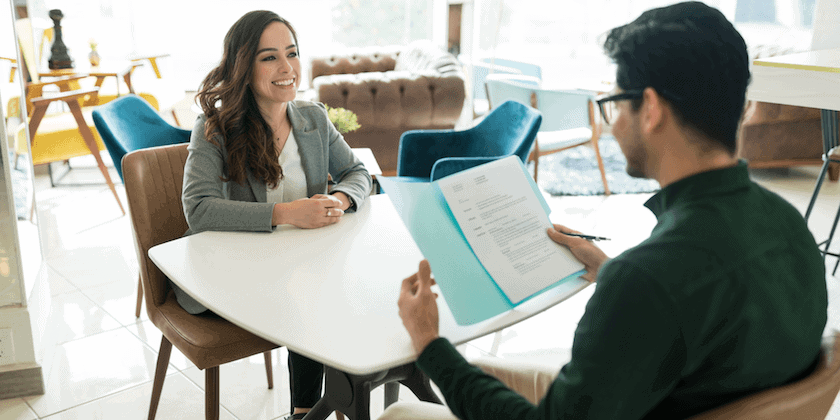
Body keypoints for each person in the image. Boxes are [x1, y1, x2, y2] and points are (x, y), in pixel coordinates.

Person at [389, 2, 828, 419]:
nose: (612, 122)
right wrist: (610, 270)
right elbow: (701, 312)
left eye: (615, 103)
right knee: (489, 374)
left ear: (651, 109)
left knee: (398, 413)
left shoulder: (646, 281)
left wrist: (429, 343)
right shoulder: (792, 228)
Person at [179, 10, 371, 420]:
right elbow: (198, 209)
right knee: (317, 294)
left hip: (295, 264)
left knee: (343, 285)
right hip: (233, 272)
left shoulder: (313, 119)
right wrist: (286, 213)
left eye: (293, 53)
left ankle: (333, 403)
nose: (287, 68)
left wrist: (340, 198)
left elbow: (358, 174)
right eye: (269, 58)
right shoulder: (213, 127)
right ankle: (308, 413)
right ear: (243, 68)